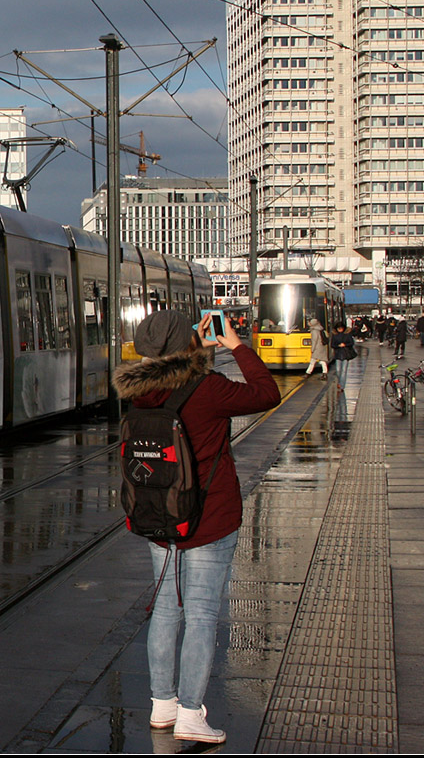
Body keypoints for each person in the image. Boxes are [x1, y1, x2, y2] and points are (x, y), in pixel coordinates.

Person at [112, 310, 279, 745]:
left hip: (159, 517)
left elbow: (175, 380)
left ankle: (162, 704)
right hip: (209, 518)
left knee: (167, 609)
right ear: (188, 345)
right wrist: (236, 346)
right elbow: (266, 392)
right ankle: (191, 713)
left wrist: (196, 351)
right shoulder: (209, 388)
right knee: (202, 614)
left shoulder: (140, 393)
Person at [330, 323, 356, 388]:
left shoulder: (347, 334)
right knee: (338, 370)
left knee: (344, 371)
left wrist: (345, 345)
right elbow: (332, 345)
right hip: (338, 354)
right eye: (338, 328)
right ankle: (339, 382)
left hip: (345, 354)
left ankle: (342, 385)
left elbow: (351, 343)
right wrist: (338, 346)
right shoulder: (335, 335)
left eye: (341, 328)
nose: (340, 329)